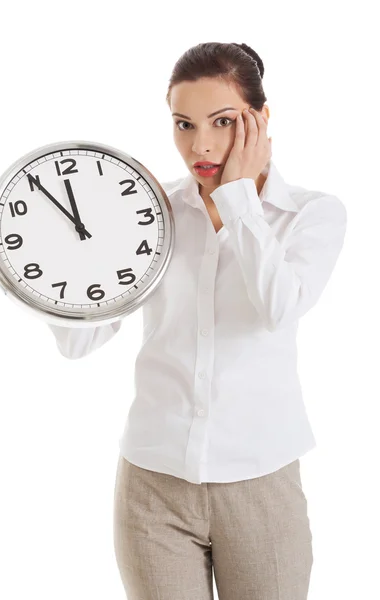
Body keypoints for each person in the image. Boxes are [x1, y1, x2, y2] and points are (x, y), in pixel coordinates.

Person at [48, 42, 347, 599]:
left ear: (259, 120)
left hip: (260, 482)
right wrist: (63, 261)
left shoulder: (312, 214)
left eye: (223, 121)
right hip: (152, 486)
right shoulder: (148, 210)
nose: (200, 144)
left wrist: (238, 199)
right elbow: (79, 341)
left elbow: (277, 308)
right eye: (183, 124)